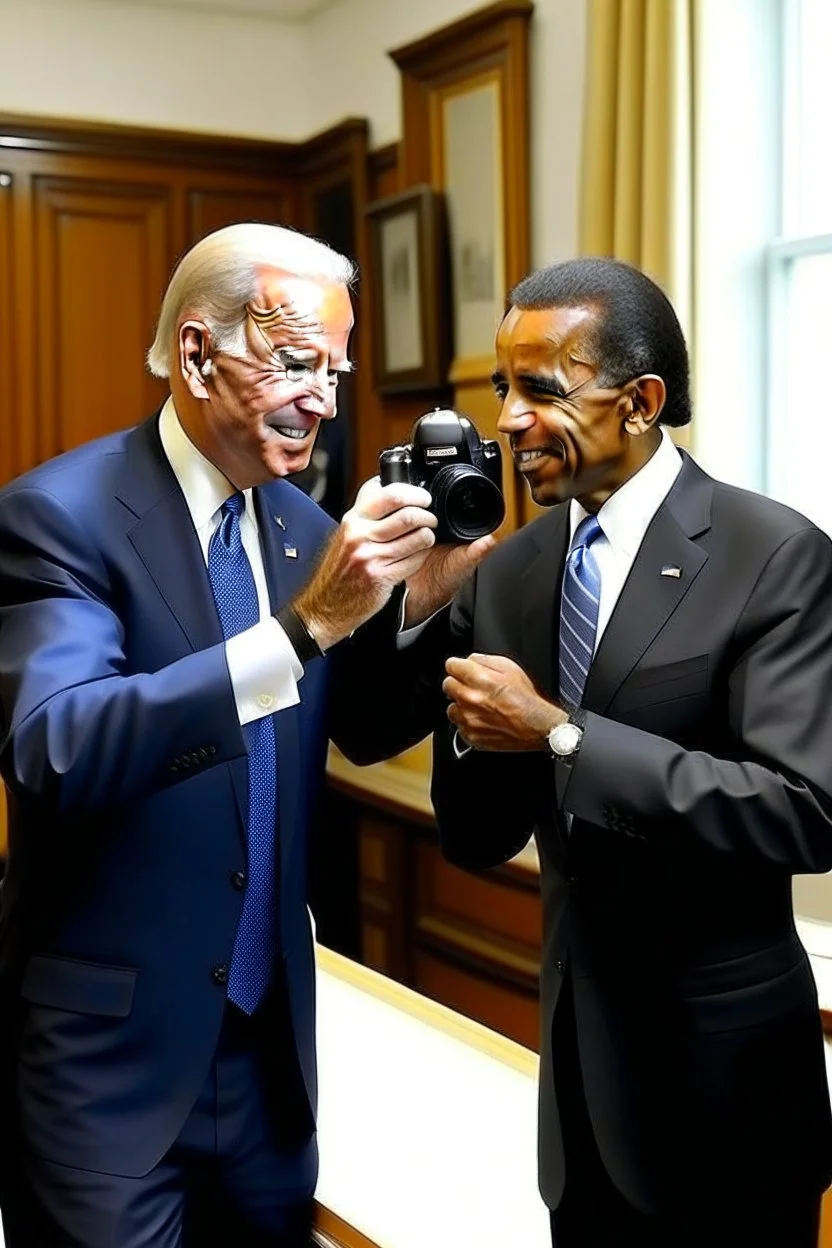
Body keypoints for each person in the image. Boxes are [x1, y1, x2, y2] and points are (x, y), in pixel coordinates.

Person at [0, 222, 488, 1247]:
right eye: (297, 361)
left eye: (337, 371)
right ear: (194, 352)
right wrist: (304, 624)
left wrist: (425, 603)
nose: (323, 396)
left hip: (269, 1072)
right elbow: (58, 745)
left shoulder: (300, 529)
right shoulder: (57, 516)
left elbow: (355, 729)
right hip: (110, 1076)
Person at [424, 257, 832, 1246]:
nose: (509, 420)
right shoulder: (509, 571)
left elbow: (801, 811)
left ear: (641, 401)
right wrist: (432, 622)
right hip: (576, 1099)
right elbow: (475, 836)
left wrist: (559, 732)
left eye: (538, 390)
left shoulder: (770, 554)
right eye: (500, 390)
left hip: (725, 1096)